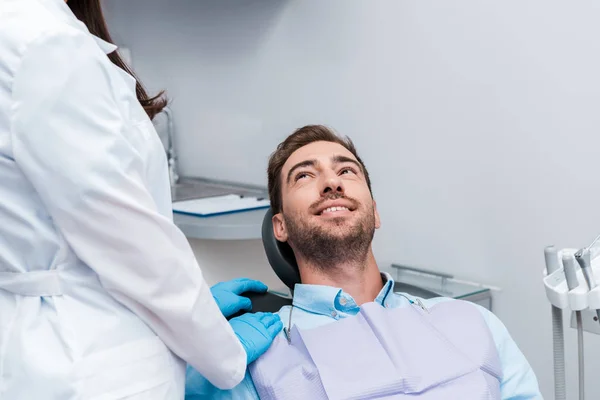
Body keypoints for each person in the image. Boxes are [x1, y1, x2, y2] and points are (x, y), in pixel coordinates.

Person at [0, 0, 280, 398]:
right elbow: (130, 245)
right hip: (90, 354)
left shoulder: (33, 34)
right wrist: (223, 350)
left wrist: (194, 313)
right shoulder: (45, 43)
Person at [185, 125, 542, 399]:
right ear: (280, 226)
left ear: (375, 213)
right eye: (305, 176)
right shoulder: (254, 358)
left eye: (347, 172)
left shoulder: (475, 323)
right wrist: (186, 357)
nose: (331, 184)